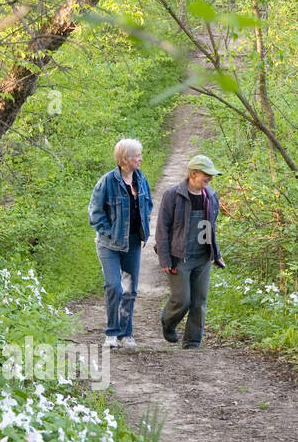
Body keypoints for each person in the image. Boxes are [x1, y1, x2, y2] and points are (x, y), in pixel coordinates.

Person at [88, 138, 152, 351]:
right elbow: (95, 213)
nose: (140, 159)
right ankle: (112, 333)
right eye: (137, 156)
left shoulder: (141, 180)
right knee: (114, 285)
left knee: (130, 289)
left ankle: (127, 333)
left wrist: (143, 228)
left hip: (133, 242)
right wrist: (109, 233)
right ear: (125, 159)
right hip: (109, 245)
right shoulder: (106, 182)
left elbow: (148, 204)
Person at [157, 155, 225, 349]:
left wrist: (216, 253)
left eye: (212, 175)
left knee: (199, 301)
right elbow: (162, 229)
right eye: (207, 174)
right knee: (182, 299)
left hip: (203, 257)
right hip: (180, 258)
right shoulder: (173, 195)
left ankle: (192, 342)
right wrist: (165, 258)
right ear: (193, 174)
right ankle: (168, 323)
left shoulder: (210, 197)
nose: (210, 178)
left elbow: (211, 228)